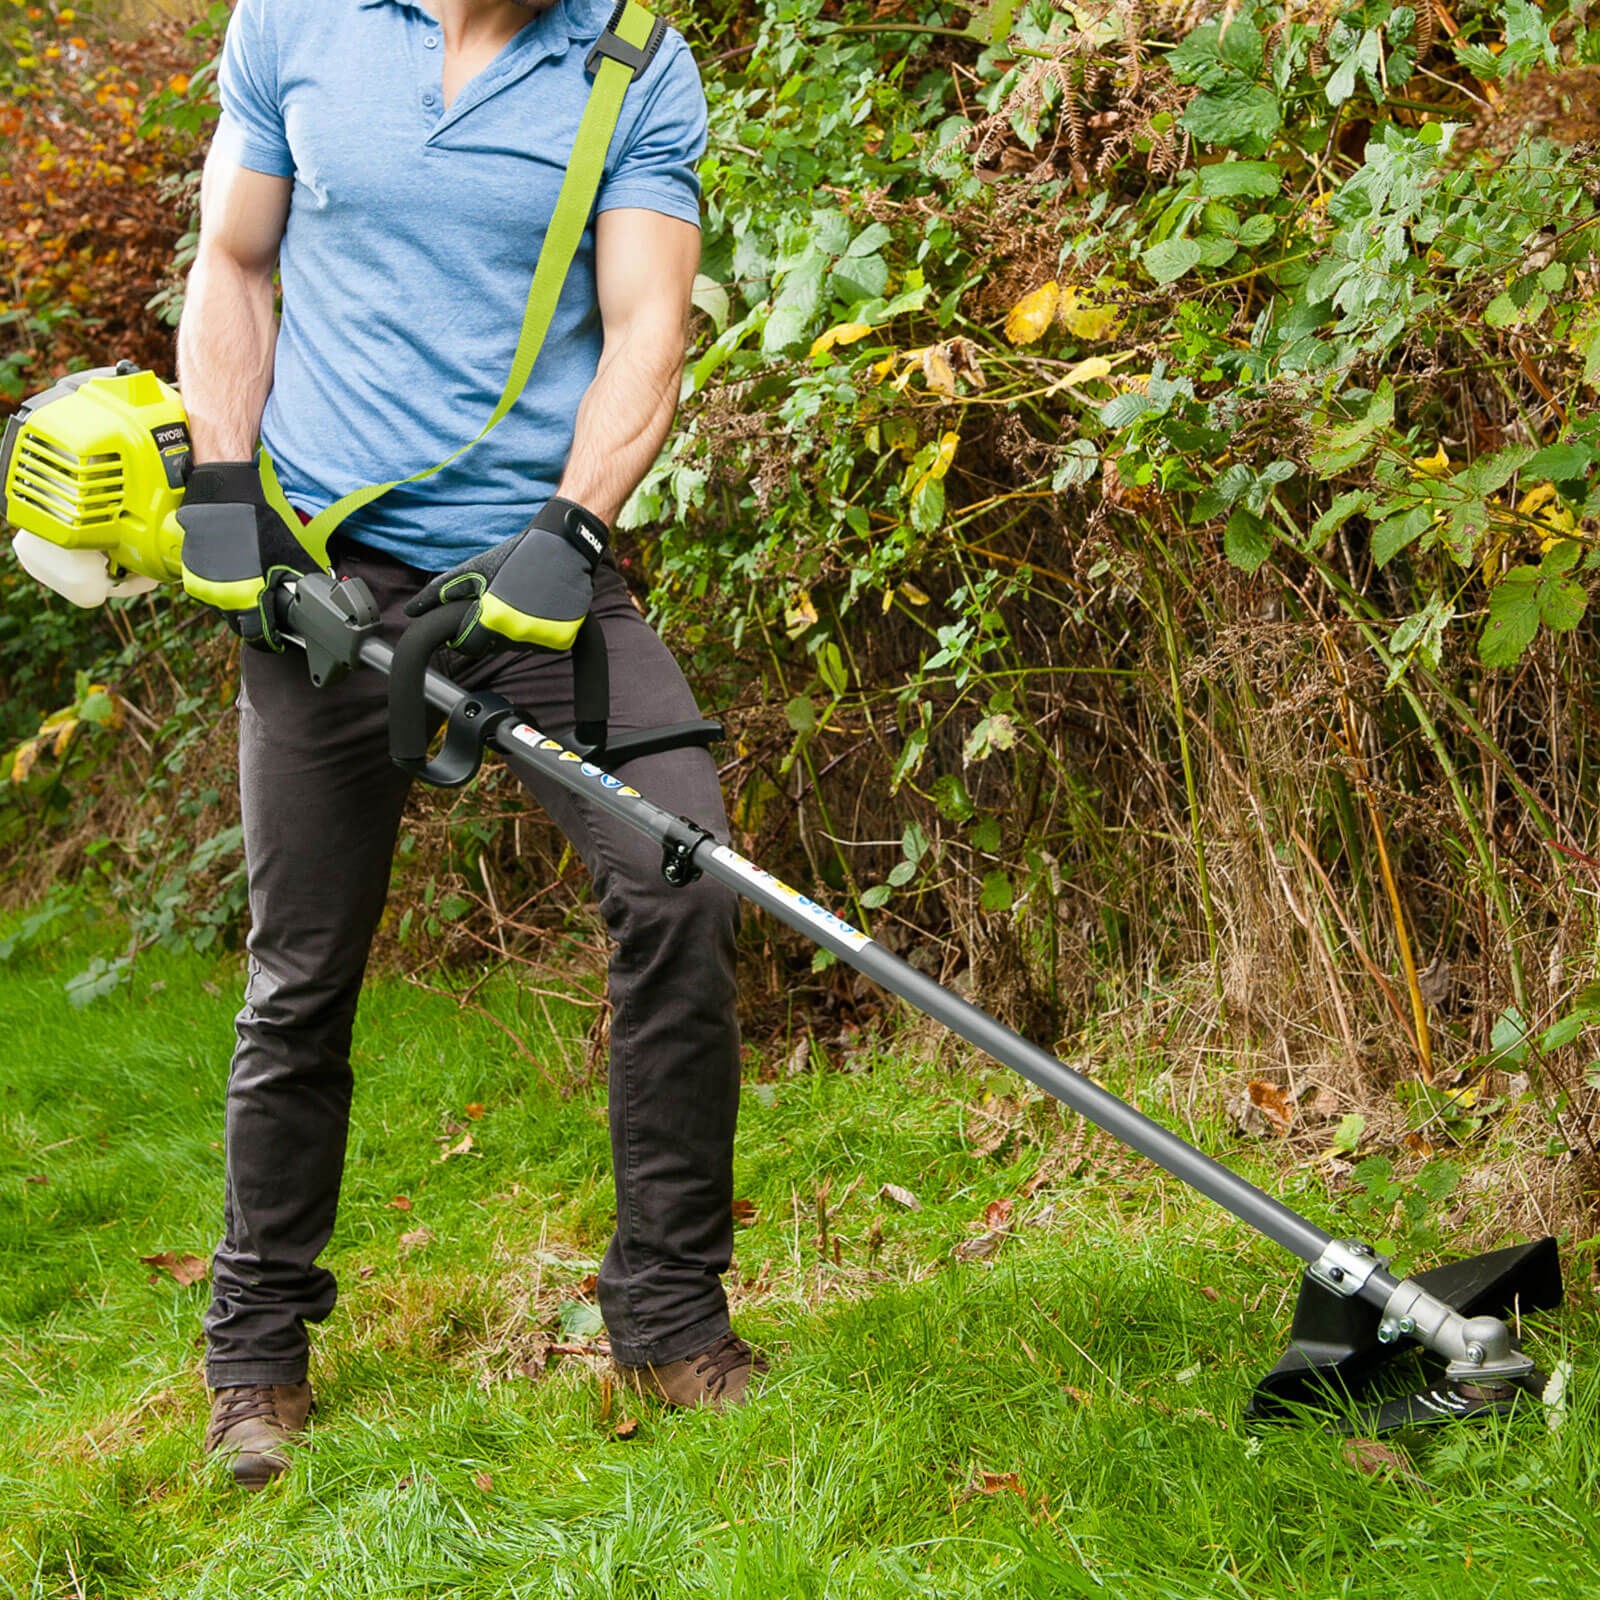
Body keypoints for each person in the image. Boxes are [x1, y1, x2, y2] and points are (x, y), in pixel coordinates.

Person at [175, 0, 751, 1491]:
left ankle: (672, 1319)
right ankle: (254, 1351)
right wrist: (226, 492)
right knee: (303, 970)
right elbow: (235, 261)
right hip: (324, 574)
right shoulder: (291, 22)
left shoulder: (630, 58)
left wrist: (572, 531)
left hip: (529, 572)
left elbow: (646, 328)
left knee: (681, 877)